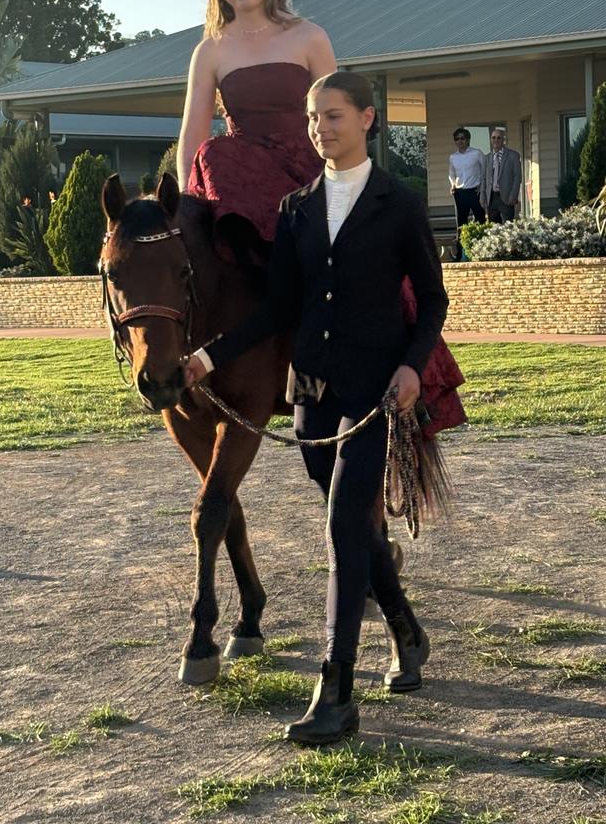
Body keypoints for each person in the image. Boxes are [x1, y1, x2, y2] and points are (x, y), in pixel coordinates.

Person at [184, 71, 448, 745]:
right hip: (311, 396)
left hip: (373, 393)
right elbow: (277, 308)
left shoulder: (398, 203)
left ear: (367, 119)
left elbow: (433, 299)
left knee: (341, 526)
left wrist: (412, 367)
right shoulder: (296, 207)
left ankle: (337, 692)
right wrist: (211, 356)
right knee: (351, 525)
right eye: (311, 119)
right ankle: (408, 633)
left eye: (332, 116)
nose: (319, 129)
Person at [177, 0, 336, 261]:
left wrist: (347, 175)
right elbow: (193, 134)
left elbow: (337, 115)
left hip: (308, 169)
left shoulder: (310, 37)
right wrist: (183, 206)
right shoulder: (209, 50)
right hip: (244, 178)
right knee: (212, 153)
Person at [448, 127, 485, 259]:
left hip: (475, 191)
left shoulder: (477, 153)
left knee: (480, 219)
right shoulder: (453, 157)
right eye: (457, 139)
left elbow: (484, 171)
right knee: (461, 223)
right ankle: (460, 255)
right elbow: (451, 173)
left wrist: (482, 186)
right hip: (460, 192)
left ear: (468, 140)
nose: (460, 141)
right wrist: (452, 184)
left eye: (462, 138)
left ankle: (482, 251)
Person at [482, 126, 522, 222]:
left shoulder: (513, 155)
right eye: (493, 137)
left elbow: (518, 177)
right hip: (491, 198)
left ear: (503, 140)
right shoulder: (487, 158)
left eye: (498, 137)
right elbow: (483, 178)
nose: (496, 140)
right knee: (494, 229)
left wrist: (513, 196)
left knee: (508, 228)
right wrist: (482, 196)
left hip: (506, 197)